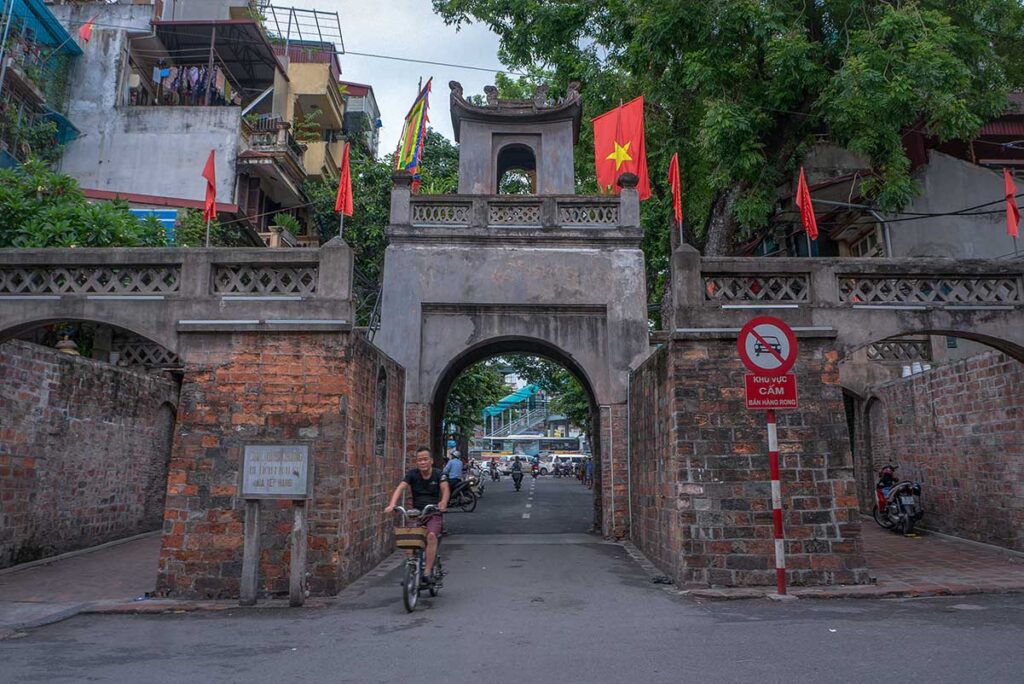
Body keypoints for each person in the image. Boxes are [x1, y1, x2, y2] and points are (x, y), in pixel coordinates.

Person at [385, 447, 450, 581]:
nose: (422, 462)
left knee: (431, 536)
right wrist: (392, 504)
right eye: (419, 460)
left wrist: (443, 502)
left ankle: (427, 572)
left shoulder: (439, 474)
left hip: (433, 512)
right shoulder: (412, 474)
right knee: (409, 540)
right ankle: (411, 569)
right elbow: (400, 488)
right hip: (417, 513)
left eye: (425, 459)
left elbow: (445, 488)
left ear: (431, 461)